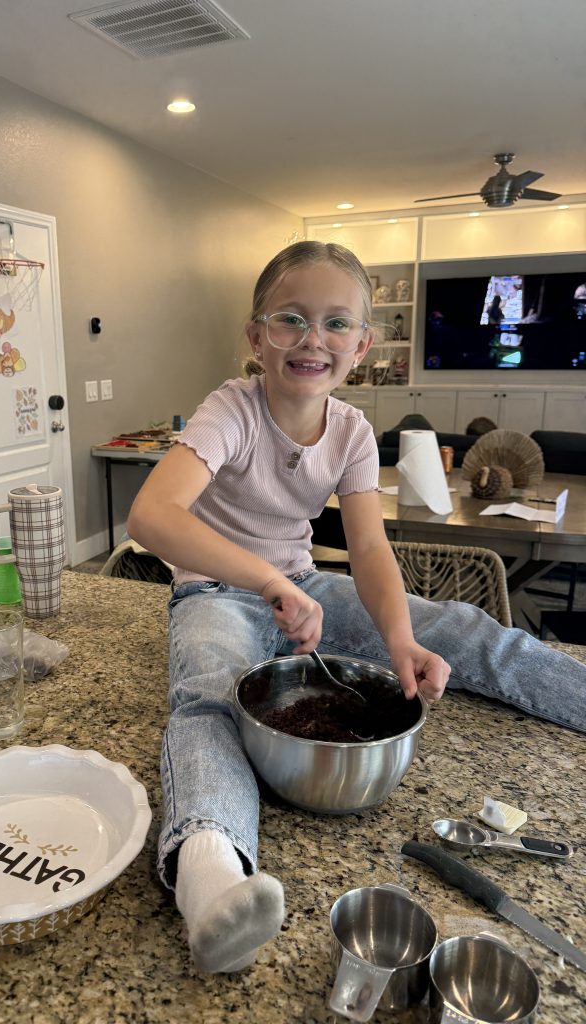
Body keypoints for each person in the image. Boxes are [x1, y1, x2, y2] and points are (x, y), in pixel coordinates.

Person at [127, 241, 586, 976]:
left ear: (363, 346)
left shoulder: (350, 432)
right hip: (216, 590)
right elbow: (152, 516)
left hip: (305, 587)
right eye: (291, 319)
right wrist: (267, 582)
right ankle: (211, 877)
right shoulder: (231, 410)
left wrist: (398, 638)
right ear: (256, 337)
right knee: (210, 695)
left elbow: (370, 550)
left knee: (461, 628)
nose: (313, 339)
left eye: (337, 323)